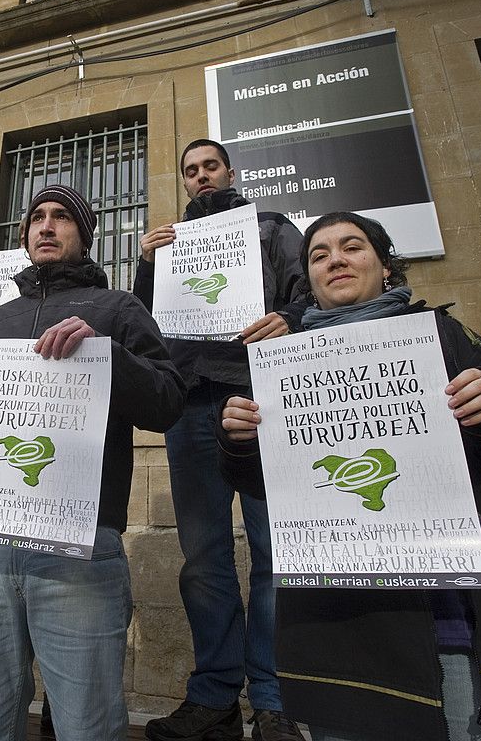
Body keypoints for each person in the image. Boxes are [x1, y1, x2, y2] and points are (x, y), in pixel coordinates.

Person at [217, 211, 481, 741]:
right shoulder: (279, 364)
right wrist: (237, 441)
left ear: (385, 267)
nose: (335, 259)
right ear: (307, 279)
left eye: (352, 247)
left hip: (453, 636)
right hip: (339, 645)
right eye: (318, 254)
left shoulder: (442, 337)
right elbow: (266, 485)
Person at [0, 184, 185, 741]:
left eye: (62, 217)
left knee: (85, 724)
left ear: (84, 236)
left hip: (81, 546)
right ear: (24, 237)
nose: (46, 226)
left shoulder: (118, 308)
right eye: (37, 217)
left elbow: (168, 401)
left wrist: (108, 354)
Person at [134, 140, 306, 741]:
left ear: (229, 172)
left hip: (260, 400)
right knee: (204, 559)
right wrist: (147, 264)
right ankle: (214, 697)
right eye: (190, 170)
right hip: (189, 404)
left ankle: (274, 700)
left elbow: (303, 294)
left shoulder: (270, 228)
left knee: (272, 553)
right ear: (183, 182)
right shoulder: (171, 245)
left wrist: (292, 319)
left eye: (210, 166)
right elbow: (143, 325)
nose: (201, 176)